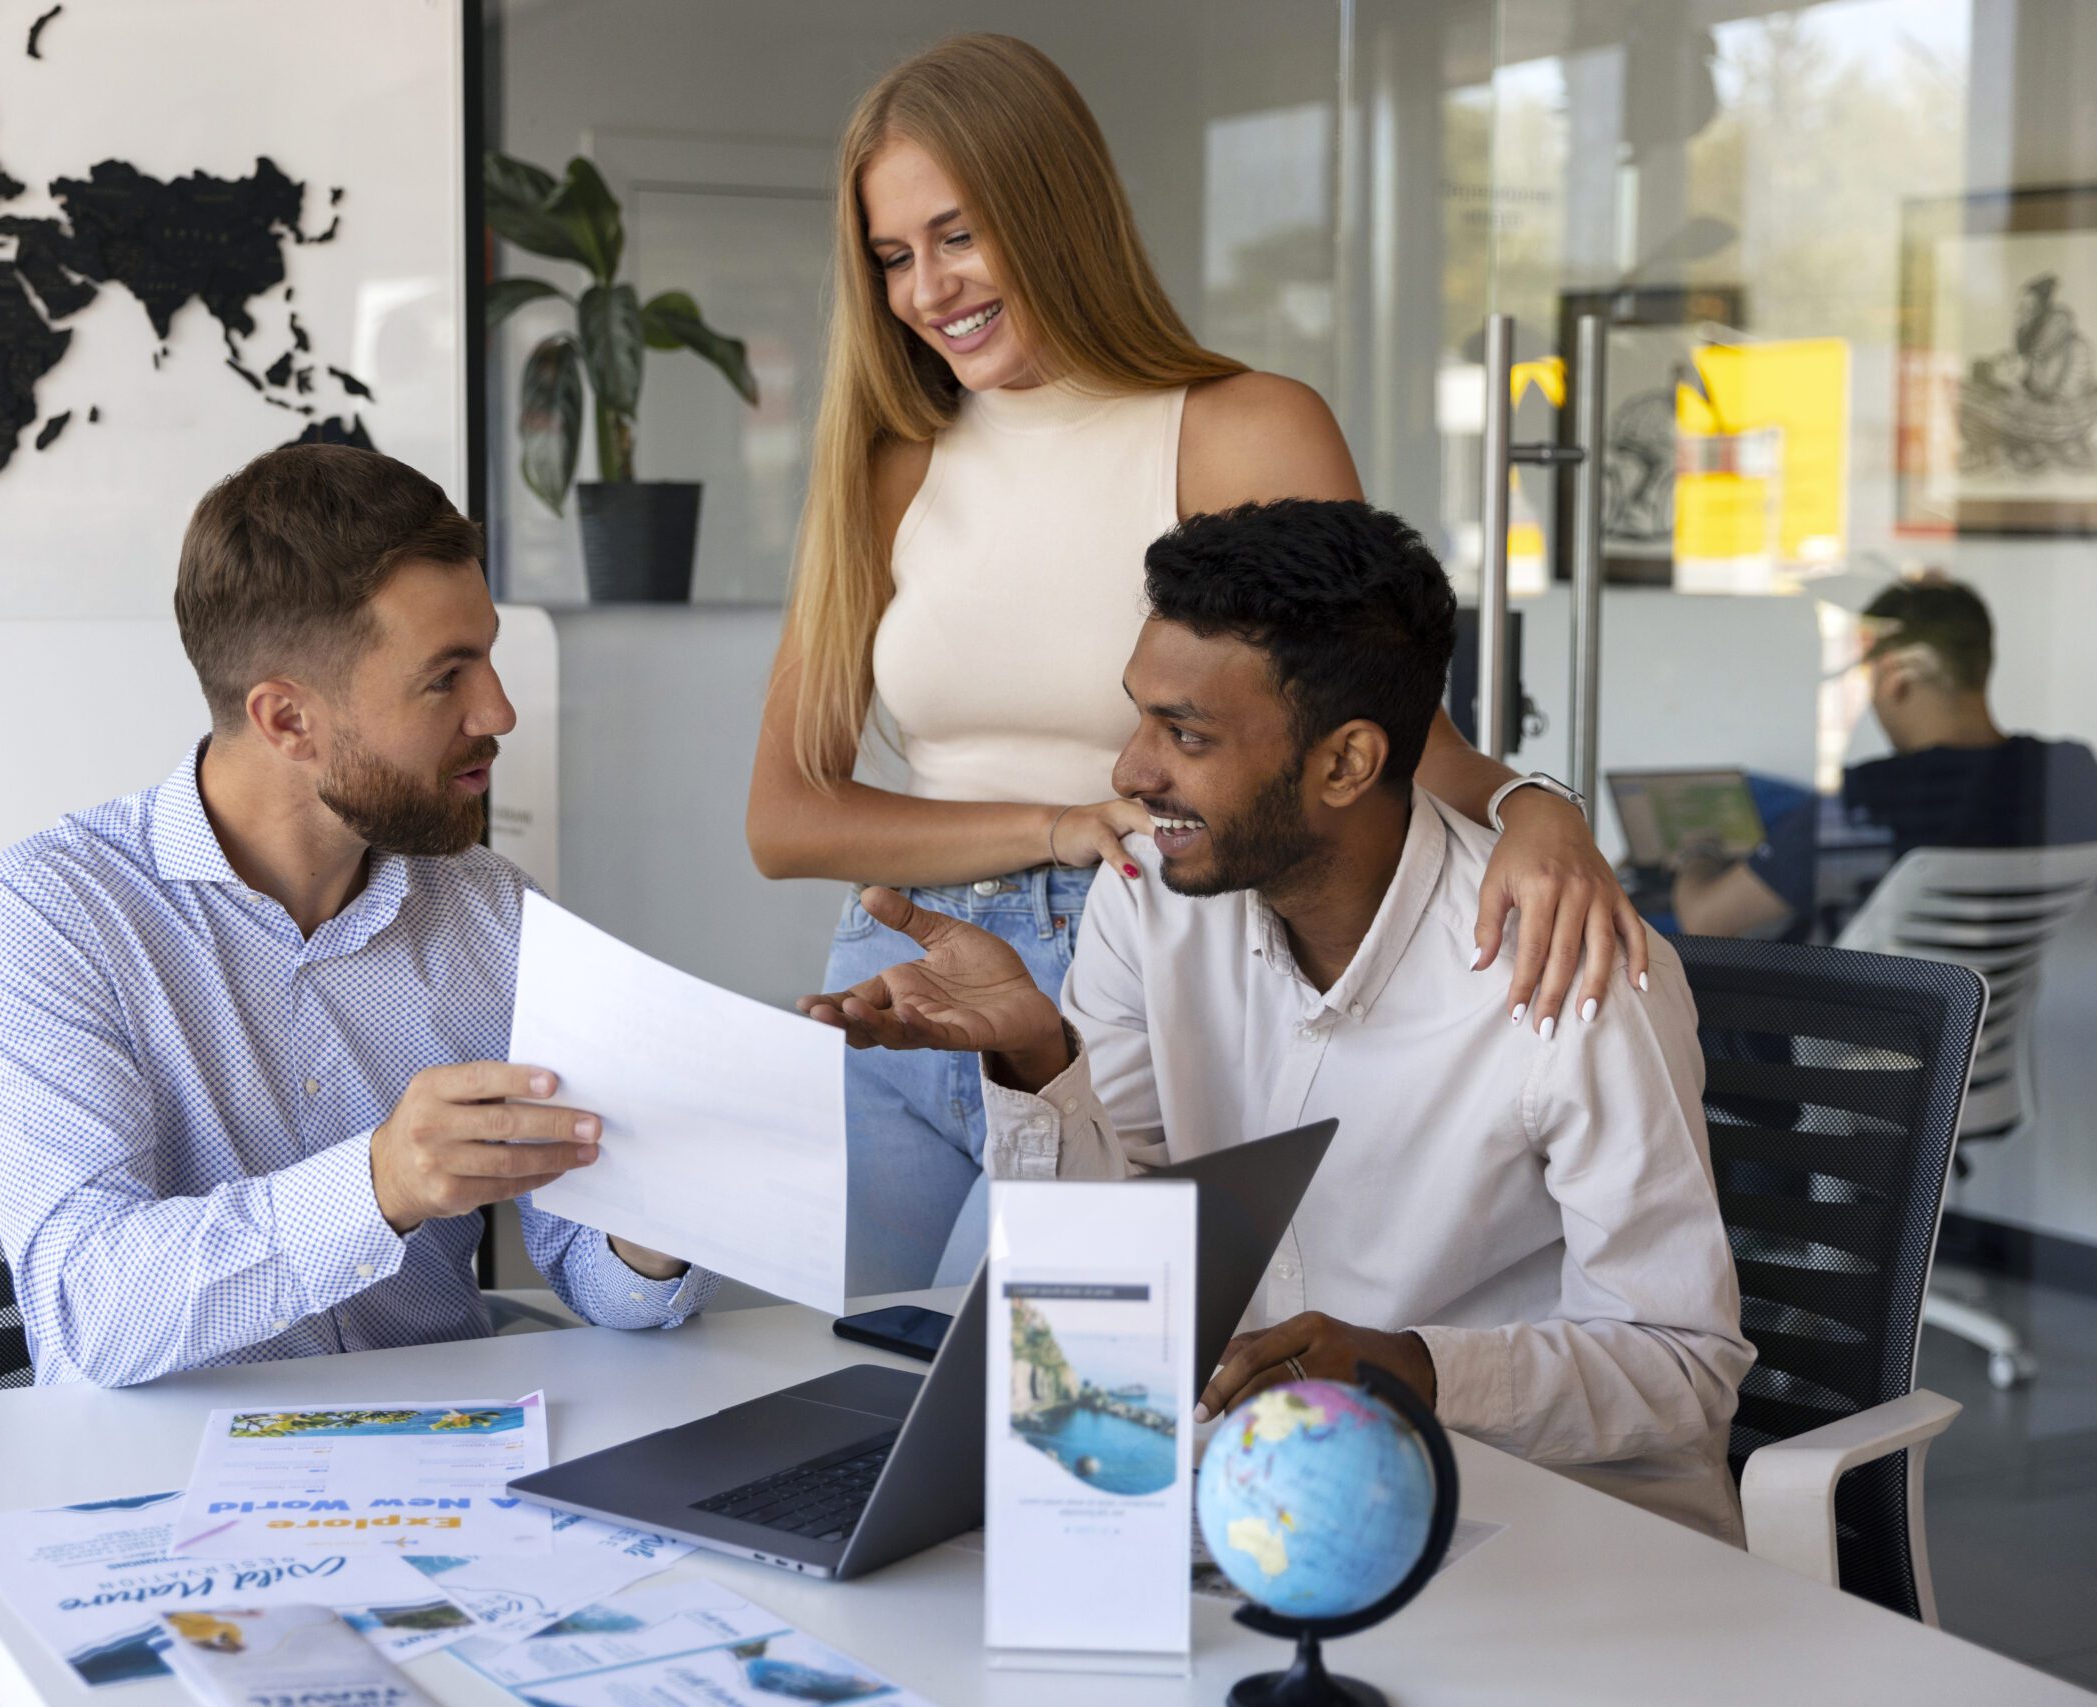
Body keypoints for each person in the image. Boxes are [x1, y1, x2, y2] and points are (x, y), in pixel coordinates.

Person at [744, 33, 1649, 1294]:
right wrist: (1061, 824)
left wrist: (1537, 808)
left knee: (1019, 1389)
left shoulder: (1243, 426)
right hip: (905, 974)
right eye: (893, 258)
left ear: (1051, 213)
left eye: (956, 236)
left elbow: (1390, 738)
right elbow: (786, 818)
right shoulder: (887, 463)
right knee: (837, 1376)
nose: (926, 290)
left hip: (1140, 967)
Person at [804, 499, 1753, 1541]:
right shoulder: (1146, 899)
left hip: (1541, 1524)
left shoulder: (1571, 970)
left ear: (1343, 764)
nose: (1129, 770)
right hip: (1260, 1499)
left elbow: (1683, 1367)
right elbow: (1108, 1271)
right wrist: (1035, 1059)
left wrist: (1416, 1370)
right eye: (1139, 715)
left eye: (1186, 734)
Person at [0, 445, 715, 1388]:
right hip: (160, 1479)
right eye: (448, 677)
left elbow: (596, 1276)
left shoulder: (498, 915)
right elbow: (89, 1307)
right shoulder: (53, 914)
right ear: (286, 721)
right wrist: (380, 1183)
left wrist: (657, 1219)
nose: (501, 711)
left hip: (447, 1459)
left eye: (491, 657)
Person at [1674, 576, 2097, 939]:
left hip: (1851, 1028)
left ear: (1894, 676)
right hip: (1994, 1018)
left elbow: (1704, 918)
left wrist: (1696, 857)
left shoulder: (1865, 804)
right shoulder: (2068, 774)